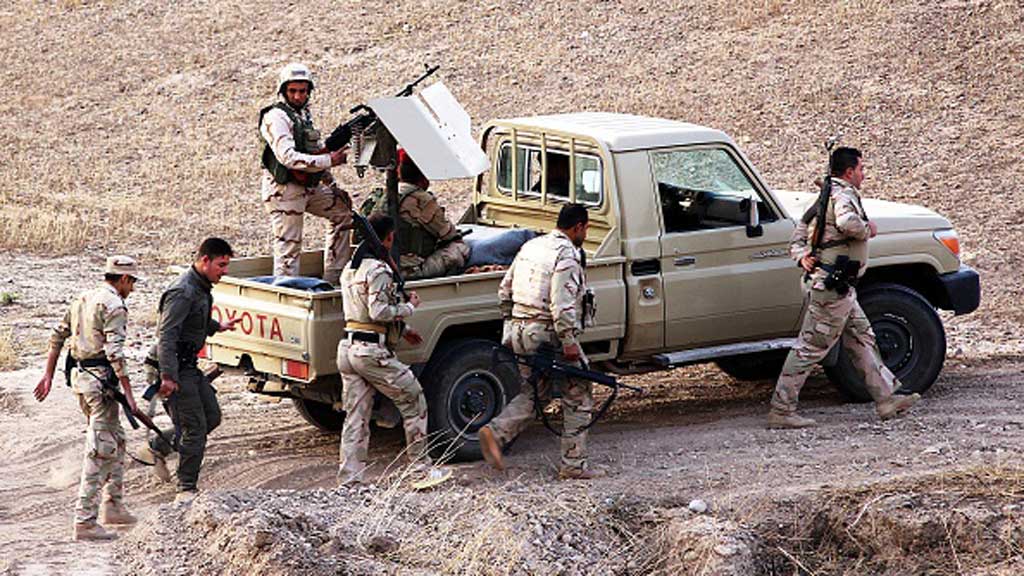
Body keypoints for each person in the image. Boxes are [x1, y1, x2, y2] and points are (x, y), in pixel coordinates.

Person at [768, 147, 921, 429]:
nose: (864, 174)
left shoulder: (823, 198)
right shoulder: (842, 196)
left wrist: (801, 256)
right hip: (832, 291)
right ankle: (782, 409)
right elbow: (847, 223)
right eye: (861, 168)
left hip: (839, 289)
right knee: (810, 348)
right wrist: (867, 228)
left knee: (862, 338)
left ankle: (886, 399)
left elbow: (798, 237)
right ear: (849, 172)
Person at [478, 203, 600, 480]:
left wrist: (512, 326)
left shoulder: (532, 246)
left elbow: (504, 290)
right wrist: (568, 341)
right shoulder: (567, 254)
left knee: (535, 391)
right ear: (578, 227)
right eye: (586, 228)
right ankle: (573, 465)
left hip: (520, 331)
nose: (585, 233)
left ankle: (495, 432)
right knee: (579, 393)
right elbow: (562, 303)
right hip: (548, 333)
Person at [34, 256, 143, 540]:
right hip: (99, 383)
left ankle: (113, 505)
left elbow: (58, 336)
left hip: (81, 381)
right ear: (123, 279)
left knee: (117, 439)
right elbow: (115, 354)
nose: (131, 288)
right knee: (99, 449)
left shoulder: (83, 297)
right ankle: (84, 521)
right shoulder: (115, 306)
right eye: (131, 282)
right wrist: (130, 395)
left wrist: (48, 375)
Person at [336, 213, 449, 486]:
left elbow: (362, 313)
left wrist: (404, 330)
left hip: (349, 347)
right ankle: (420, 470)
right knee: (414, 399)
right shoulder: (379, 270)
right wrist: (409, 308)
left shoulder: (350, 269)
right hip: (371, 352)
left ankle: (350, 479)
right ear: (387, 237)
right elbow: (378, 311)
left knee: (356, 416)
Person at [156, 238, 240, 501]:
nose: (224, 271)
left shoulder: (201, 287)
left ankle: (158, 445)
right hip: (174, 367)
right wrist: (167, 376)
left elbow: (195, 320)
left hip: (188, 366)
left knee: (211, 417)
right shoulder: (183, 291)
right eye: (221, 265)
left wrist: (218, 326)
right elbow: (166, 336)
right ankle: (186, 489)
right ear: (205, 260)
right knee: (194, 427)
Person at [259, 62, 353, 286]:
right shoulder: (276, 117)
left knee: (343, 213)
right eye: (293, 91)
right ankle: (286, 295)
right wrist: (329, 160)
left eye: (302, 91)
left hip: (308, 185)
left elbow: (313, 148)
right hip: (285, 190)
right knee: (289, 247)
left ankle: (334, 280)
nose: (298, 96)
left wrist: (330, 182)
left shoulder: (302, 115)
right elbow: (288, 157)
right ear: (283, 91)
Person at [364, 149, 469, 279]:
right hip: (408, 271)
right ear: (423, 175)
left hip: (378, 265)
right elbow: (449, 235)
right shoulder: (421, 200)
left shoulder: (382, 195)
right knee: (460, 248)